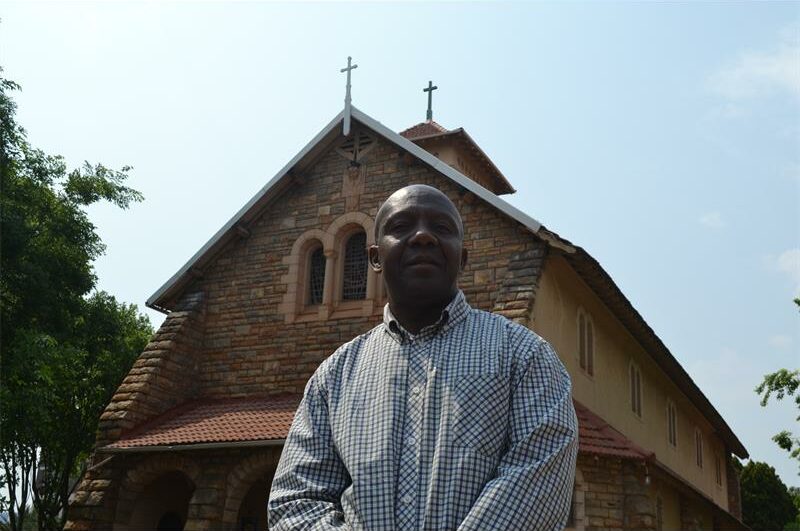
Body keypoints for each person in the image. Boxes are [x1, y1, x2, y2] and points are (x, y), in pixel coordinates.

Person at [268, 184, 578, 530]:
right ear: (374, 257)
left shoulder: (524, 357)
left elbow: (537, 477)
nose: (423, 237)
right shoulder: (333, 377)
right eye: (400, 227)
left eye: (442, 228)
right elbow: (296, 500)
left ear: (461, 258)